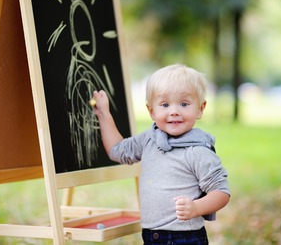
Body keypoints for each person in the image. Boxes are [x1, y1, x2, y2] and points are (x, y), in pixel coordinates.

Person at [92, 64, 230, 245]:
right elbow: (117, 150)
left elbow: (221, 192)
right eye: (164, 104)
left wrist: (196, 207)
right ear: (151, 111)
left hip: (185, 238)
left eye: (184, 104)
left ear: (200, 109)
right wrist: (103, 114)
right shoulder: (149, 139)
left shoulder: (198, 150)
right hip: (151, 236)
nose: (174, 111)